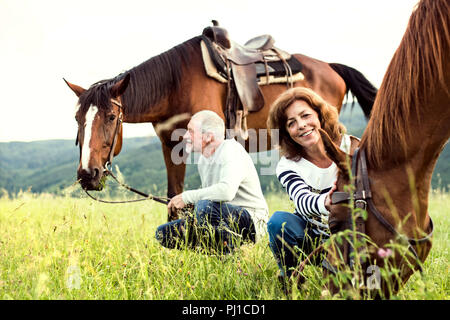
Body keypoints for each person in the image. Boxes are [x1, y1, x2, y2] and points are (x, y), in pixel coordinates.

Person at [266, 87, 352, 281]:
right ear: (287, 132)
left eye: (306, 116)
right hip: (313, 239)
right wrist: (326, 202)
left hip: (353, 238)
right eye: (292, 123)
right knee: (278, 222)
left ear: (320, 115)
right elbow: (301, 200)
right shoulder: (287, 165)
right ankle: (291, 279)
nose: (302, 125)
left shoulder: (351, 147)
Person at [155, 110, 269, 254]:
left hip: (252, 222)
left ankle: (232, 257)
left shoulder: (231, 150)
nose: (185, 136)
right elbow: (211, 198)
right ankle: (221, 253)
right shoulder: (203, 160)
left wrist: (187, 197)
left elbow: (226, 191)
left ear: (208, 136)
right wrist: (189, 206)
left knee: (204, 207)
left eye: (190, 131)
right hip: (221, 218)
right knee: (163, 233)